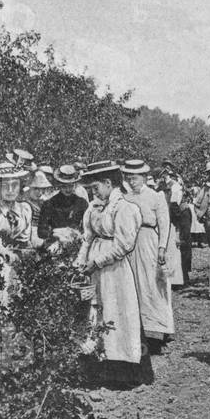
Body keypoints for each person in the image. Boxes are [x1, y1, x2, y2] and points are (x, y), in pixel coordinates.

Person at [74, 160, 153, 388]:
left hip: (114, 269)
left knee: (118, 313)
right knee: (94, 311)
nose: (93, 192)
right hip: (94, 268)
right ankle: (95, 367)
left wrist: (97, 261)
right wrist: (80, 263)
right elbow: (87, 238)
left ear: (109, 183)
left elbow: (124, 246)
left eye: (96, 187)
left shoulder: (126, 208)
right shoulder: (93, 208)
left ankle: (122, 371)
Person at [121, 159, 175, 353]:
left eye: (135, 178)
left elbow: (164, 223)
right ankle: (138, 331)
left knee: (153, 285)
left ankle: (158, 332)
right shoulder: (124, 197)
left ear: (143, 177)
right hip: (129, 243)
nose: (132, 182)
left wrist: (162, 248)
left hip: (149, 242)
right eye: (129, 178)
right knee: (134, 285)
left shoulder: (156, 196)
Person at [0, 161, 42, 303]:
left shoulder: (25, 209)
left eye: (15, 185)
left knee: (18, 298)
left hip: (15, 259)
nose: (10, 190)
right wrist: (4, 252)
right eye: (6, 186)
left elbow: (26, 239)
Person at [37, 164, 89, 254]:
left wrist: (75, 234)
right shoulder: (49, 204)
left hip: (76, 245)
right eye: (64, 186)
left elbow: (87, 228)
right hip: (54, 245)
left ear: (75, 185)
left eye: (71, 186)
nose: (68, 189)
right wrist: (55, 233)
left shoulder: (82, 203)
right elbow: (41, 231)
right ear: (59, 185)